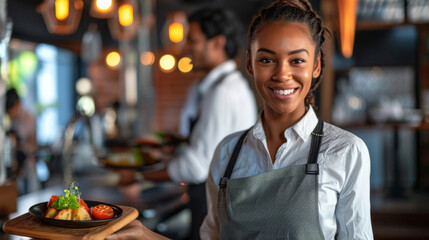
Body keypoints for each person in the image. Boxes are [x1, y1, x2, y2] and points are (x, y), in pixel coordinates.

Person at [108, 0, 373, 239]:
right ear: (250, 63)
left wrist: (140, 176)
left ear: (315, 66)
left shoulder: (346, 151)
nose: (282, 74)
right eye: (267, 59)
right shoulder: (226, 153)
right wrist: (148, 237)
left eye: (297, 61)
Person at [116, 7, 257, 240]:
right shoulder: (221, 87)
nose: (186, 48)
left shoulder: (223, 93)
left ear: (217, 43)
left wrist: (139, 176)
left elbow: (196, 166)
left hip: (217, 208)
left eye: (192, 40)